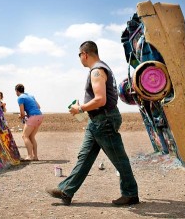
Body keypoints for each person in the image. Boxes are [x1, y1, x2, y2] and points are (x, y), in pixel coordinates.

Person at [46, 41, 139, 206]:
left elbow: (100, 99)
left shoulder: (96, 71)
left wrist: (80, 108)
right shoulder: (102, 68)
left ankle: (131, 194)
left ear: (85, 54)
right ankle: (66, 191)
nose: (80, 58)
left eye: (79, 55)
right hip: (97, 121)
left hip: (104, 120)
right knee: (84, 157)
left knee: (119, 158)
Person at [15, 83, 43, 161]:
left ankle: (29, 156)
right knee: (31, 136)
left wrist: (20, 116)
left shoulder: (20, 98)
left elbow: (22, 114)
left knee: (24, 136)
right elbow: (39, 107)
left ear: (16, 91)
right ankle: (35, 156)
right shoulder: (31, 96)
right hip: (40, 116)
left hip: (33, 117)